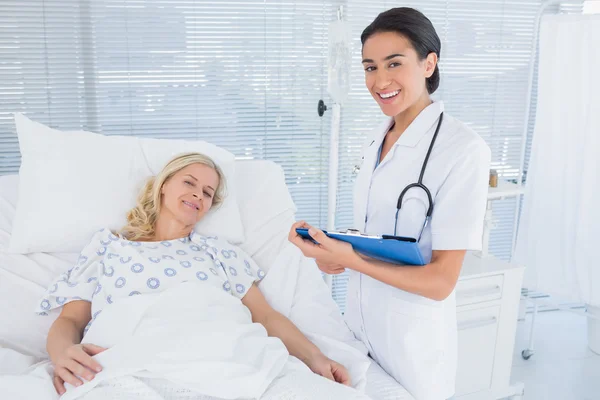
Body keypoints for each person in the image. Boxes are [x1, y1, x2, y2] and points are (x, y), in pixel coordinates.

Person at [37, 152, 364, 399]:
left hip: (225, 353)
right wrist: (62, 352)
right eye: (189, 183)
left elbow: (265, 316)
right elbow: (70, 320)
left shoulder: (220, 252)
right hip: (130, 358)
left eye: (207, 193)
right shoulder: (109, 246)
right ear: (163, 187)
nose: (198, 195)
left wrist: (316, 358)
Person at [289, 7, 491, 400]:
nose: (380, 80)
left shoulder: (463, 149)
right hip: (360, 331)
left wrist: (351, 260)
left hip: (413, 345)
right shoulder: (375, 139)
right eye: (369, 67)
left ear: (429, 63)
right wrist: (329, 253)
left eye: (394, 63)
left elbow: (440, 282)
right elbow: (378, 237)